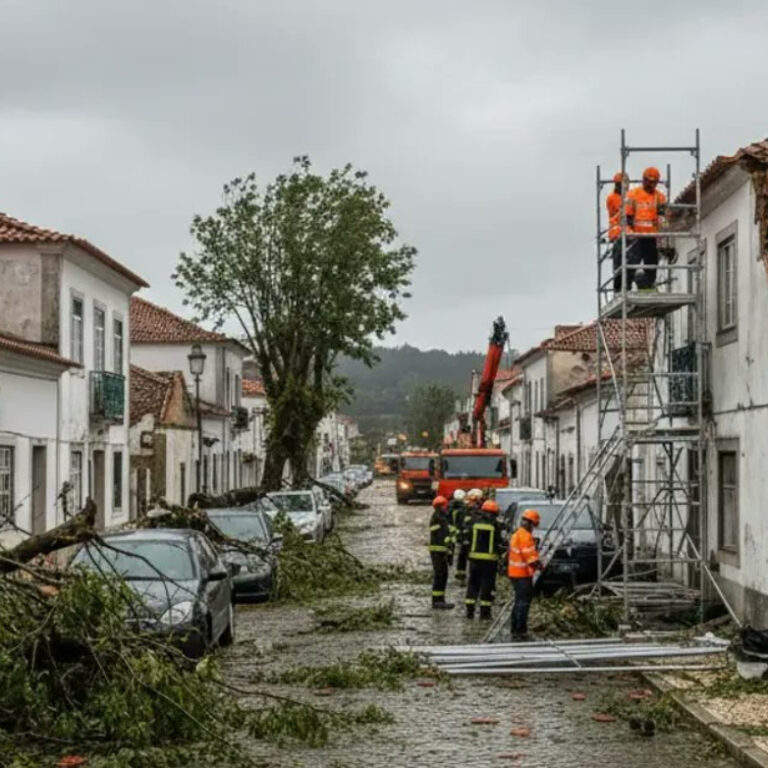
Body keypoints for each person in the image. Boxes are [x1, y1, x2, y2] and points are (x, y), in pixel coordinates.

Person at [627, 167, 667, 290]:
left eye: (653, 182)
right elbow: (628, 216)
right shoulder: (633, 194)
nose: (650, 184)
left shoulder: (659, 197)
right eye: (648, 181)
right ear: (643, 180)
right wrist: (630, 232)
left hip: (651, 236)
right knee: (632, 263)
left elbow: (662, 217)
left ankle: (648, 286)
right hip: (636, 236)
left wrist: (663, 236)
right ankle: (626, 287)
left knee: (652, 264)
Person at [465, 499, 505, 620]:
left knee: (473, 584)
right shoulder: (495, 525)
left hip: (474, 560)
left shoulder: (473, 521)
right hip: (490, 561)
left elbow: (466, 538)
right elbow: (500, 542)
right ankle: (485, 613)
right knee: (487, 586)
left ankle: (470, 611)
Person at [507, 508, 542, 639]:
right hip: (521, 575)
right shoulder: (525, 536)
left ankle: (515, 628)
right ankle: (520, 630)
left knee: (518, 602)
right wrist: (540, 566)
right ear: (531, 523)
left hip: (515, 573)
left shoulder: (518, 534)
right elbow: (530, 557)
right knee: (523, 603)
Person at [428, 495, 454, 609]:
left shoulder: (441, 517)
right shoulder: (438, 518)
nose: (446, 507)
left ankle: (440, 599)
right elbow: (442, 535)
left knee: (443, 575)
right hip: (438, 551)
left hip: (441, 551)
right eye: (445, 505)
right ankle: (437, 601)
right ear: (440, 506)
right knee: (440, 575)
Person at [455, 488, 482, 584]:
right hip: (465, 539)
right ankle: (461, 576)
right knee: (462, 556)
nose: (472, 503)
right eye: (471, 501)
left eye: (474, 501)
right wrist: (460, 537)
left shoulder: (481, 511)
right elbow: (458, 525)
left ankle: (473, 578)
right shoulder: (463, 511)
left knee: (474, 560)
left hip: (475, 540)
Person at [447, 489, 466, 565]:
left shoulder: (449, 506)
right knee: (462, 548)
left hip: (450, 530)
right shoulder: (463, 509)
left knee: (450, 546)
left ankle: (449, 561)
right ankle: (460, 564)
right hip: (459, 530)